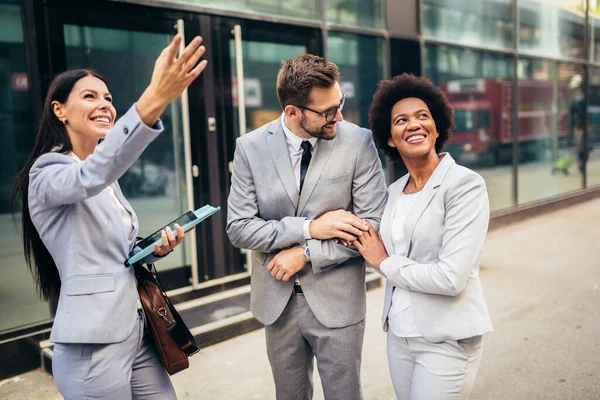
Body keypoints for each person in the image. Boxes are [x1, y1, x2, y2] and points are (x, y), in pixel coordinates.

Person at [12, 34, 207, 400]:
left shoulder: (104, 177)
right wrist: (154, 100)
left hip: (137, 328)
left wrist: (154, 249)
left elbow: (118, 252)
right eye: (90, 96)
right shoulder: (48, 172)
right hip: (92, 344)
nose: (104, 104)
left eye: (108, 98)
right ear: (59, 110)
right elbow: (89, 178)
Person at [226, 54, 387, 400]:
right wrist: (310, 228)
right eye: (328, 111)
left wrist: (306, 253)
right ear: (292, 112)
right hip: (276, 303)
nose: (339, 116)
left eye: (339, 103)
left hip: (338, 303)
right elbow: (239, 227)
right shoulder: (249, 148)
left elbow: (371, 225)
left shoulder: (359, 142)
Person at [353, 73, 494, 400]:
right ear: (390, 138)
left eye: (423, 116)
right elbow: (370, 244)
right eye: (401, 120)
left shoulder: (464, 185)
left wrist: (385, 263)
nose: (413, 124)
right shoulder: (392, 193)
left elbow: (450, 278)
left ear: (437, 127)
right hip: (400, 336)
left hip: (447, 339)